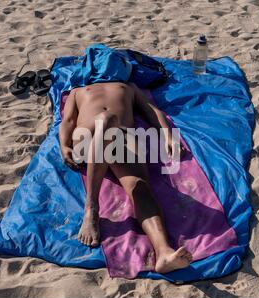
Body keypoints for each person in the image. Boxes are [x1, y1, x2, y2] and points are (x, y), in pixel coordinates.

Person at [59, 81, 192, 273]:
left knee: (140, 187)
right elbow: (68, 120)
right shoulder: (77, 91)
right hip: (86, 139)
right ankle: (91, 207)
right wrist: (64, 145)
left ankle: (164, 252)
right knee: (106, 119)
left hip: (121, 141)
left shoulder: (130, 86)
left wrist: (168, 135)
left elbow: (152, 111)